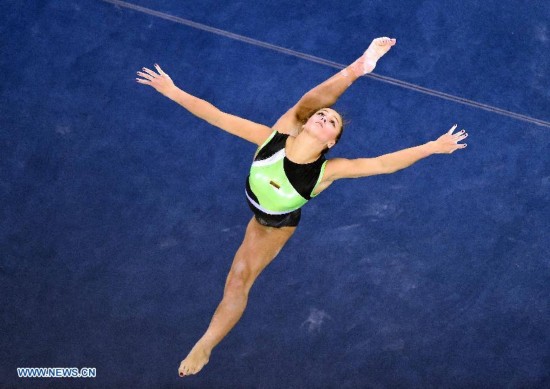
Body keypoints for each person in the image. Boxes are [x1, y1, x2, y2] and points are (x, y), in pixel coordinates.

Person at [135, 37, 468, 377]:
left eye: (332, 122)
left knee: (238, 281)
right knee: (301, 105)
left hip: (271, 226)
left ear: (331, 141)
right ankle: (359, 66)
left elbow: (383, 165)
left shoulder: (326, 172)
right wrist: (173, 91)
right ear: (309, 125)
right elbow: (218, 116)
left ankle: (205, 344)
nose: (324, 119)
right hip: (266, 187)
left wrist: (431, 147)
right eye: (322, 116)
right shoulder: (272, 137)